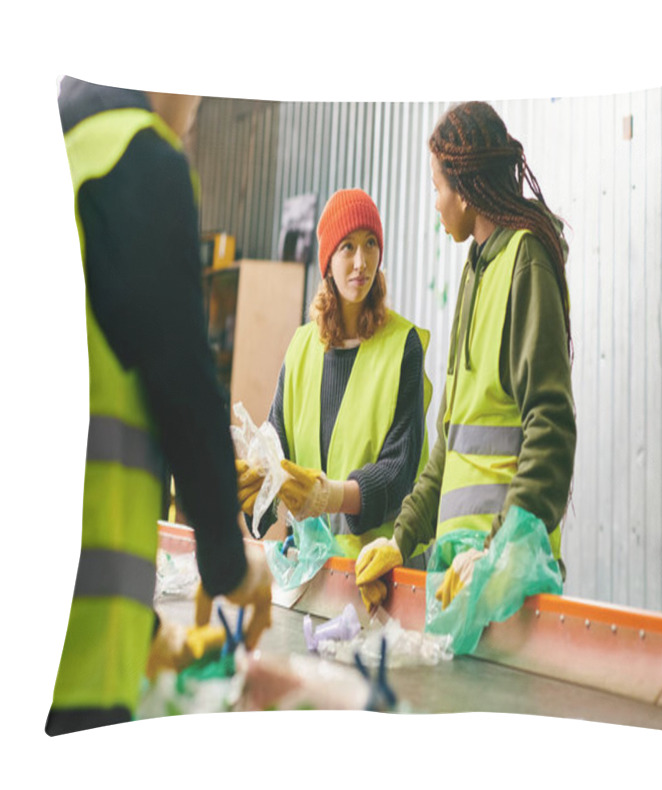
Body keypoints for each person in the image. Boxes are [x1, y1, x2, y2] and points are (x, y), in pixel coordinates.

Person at [46, 77, 272, 736]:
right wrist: (230, 563)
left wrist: (148, 629)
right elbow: (181, 376)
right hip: (77, 654)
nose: (194, 114)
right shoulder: (136, 155)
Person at [355, 101, 576, 611]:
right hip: (458, 575)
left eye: (438, 189)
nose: (436, 204)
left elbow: (551, 423)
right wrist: (402, 537)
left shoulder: (526, 261)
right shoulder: (476, 270)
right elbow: (449, 444)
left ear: (467, 189)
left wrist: (501, 551)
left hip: (505, 579)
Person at [236, 189, 431, 572]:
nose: (361, 262)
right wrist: (256, 496)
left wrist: (329, 496)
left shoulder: (402, 346)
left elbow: (399, 471)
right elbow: (277, 450)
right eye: (347, 247)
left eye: (370, 244)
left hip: (383, 573)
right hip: (314, 573)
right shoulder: (302, 346)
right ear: (327, 260)